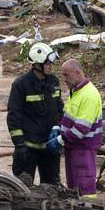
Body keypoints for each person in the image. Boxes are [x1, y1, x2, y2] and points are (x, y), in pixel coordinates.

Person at [7, 42, 62, 186]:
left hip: (50, 149)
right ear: (37, 65)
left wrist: (59, 130)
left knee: (53, 189)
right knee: (21, 189)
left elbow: (59, 109)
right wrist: (19, 145)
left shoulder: (54, 82)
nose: (51, 66)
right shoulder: (21, 85)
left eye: (51, 63)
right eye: (48, 63)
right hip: (28, 149)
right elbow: (14, 116)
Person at [48, 59, 103, 196]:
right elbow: (70, 116)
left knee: (85, 187)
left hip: (83, 148)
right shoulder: (77, 92)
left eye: (67, 75)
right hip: (73, 147)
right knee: (73, 187)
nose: (64, 80)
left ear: (78, 73)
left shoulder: (89, 95)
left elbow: (80, 130)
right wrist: (58, 127)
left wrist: (60, 140)